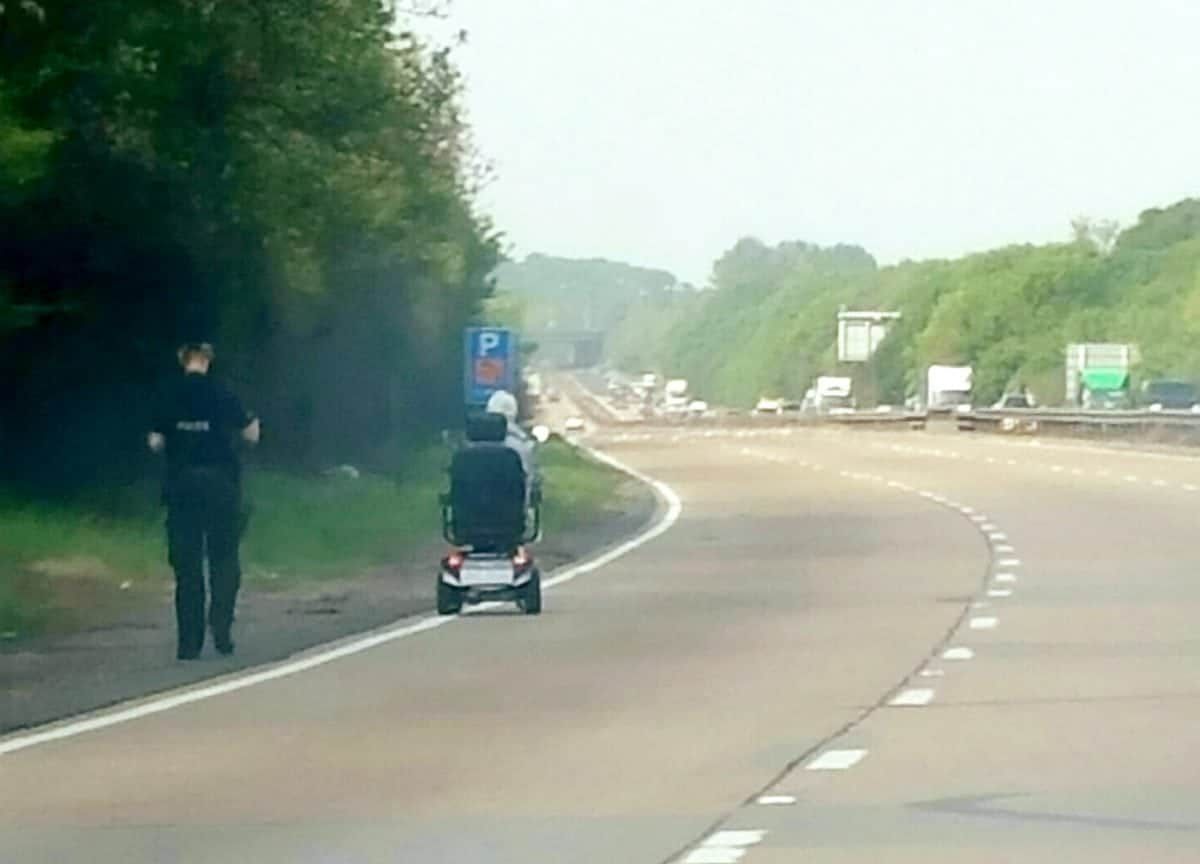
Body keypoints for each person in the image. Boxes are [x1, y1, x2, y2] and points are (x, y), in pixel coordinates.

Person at [148, 342, 260, 660]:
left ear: (182, 359)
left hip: (182, 486)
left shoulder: (168, 394)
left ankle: (189, 643)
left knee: (187, 566)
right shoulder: (223, 391)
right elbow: (252, 433)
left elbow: (155, 442)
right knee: (224, 559)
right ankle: (222, 631)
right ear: (207, 360)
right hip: (221, 485)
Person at [485, 389, 538, 501]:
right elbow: (529, 483)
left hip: (469, 517)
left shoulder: (468, 449)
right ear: (514, 412)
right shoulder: (523, 447)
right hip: (512, 516)